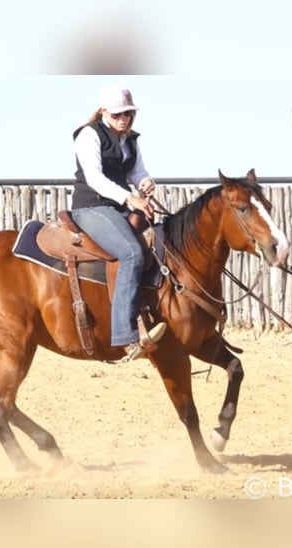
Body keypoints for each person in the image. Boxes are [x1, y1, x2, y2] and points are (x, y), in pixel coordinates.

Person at [70, 85, 167, 361]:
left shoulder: (131, 139)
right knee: (131, 253)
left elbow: (137, 171)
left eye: (128, 114)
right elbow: (95, 178)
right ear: (103, 113)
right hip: (91, 207)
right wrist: (131, 199)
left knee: (161, 242)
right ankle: (126, 336)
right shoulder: (89, 135)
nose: (124, 119)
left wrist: (145, 182)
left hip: (118, 206)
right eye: (118, 115)